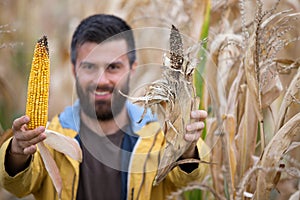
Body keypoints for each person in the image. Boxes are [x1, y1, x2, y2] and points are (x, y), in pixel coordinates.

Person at [0, 14, 209, 200]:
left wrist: (187, 148)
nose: (101, 80)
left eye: (113, 67)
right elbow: (18, 185)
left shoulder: (158, 139)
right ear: (73, 69)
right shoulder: (49, 138)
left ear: (132, 69)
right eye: (89, 66)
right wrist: (18, 152)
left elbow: (188, 180)